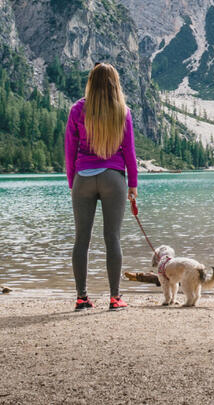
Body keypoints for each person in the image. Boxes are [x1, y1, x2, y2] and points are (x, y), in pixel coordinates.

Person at [65, 62, 138, 311]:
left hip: (83, 178)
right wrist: (133, 185)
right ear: (114, 83)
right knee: (112, 238)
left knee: (81, 240)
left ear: (91, 83)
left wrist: (71, 181)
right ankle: (115, 298)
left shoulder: (77, 109)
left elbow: (69, 151)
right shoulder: (122, 111)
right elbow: (129, 152)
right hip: (113, 179)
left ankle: (81, 297)